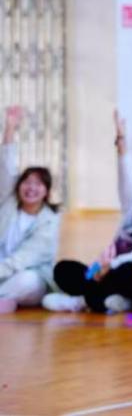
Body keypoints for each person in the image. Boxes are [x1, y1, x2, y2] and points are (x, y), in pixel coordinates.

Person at [45, 112, 132, 314]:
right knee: (64, 269)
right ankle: (103, 300)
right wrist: (121, 140)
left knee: (127, 270)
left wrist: (113, 264)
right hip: (109, 268)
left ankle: (86, 301)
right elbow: (126, 175)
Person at [0, 106, 60, 313]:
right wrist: (10, 127)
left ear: (46, 192)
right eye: (27, 182)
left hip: (23, 275)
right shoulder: (8, 203)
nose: (31, 188)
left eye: (38, 184)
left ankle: (5, 297)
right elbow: (6, 166)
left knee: (29, 282)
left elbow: (21, 261)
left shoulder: (49, 222)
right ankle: (4, 300)